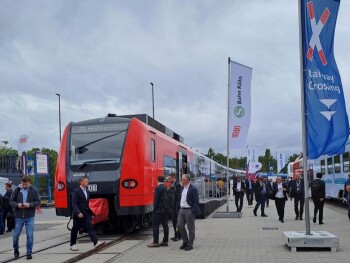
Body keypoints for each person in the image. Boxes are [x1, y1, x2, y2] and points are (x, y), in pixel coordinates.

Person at [70, 176, 105, 251]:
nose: (87, 182)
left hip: (86, 213)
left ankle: (96, 242)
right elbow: (74, 203)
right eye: (85, 181)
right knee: (75, 229)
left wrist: (91, 213)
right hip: (78, 214)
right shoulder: (76, 191)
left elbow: (86, 203)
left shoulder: (87, 191)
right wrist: (78, 212)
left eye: (87, 181)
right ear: (81, 182)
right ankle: (72, 244)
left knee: (89, 226)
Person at [10, 176, 40, 260]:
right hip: (18, 216)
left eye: (26, 184)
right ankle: (16, 248)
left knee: (30, 235)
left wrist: (29, 204)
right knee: (15, 235)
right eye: (23, 184)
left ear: (29, 182)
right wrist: (17, 205)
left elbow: (38, 202)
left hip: (30, 216)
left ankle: (29, 252)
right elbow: (11, 201)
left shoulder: (34, 190)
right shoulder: (17, 190)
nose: (24, 185)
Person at [177, 174, 201, 251]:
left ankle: (190, 244)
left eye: (182, 179)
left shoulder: (193, 189)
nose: (181, 180)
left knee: (190, 228)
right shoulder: (182, 188)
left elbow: (196, 201)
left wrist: (192, 210)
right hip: (181, 209)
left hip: (189, 210)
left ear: (186, 180)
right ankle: (185, 241)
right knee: (180, 226)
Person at [148, 176, 169, 247]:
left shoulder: (158, 188)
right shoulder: (166, 187)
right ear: (163, 180)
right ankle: (165, 241)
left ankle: (155, 242)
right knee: (165, 225)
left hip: (158, 210)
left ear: (157, 180)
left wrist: (154, 210)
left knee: (155, 225)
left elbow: (156, 201)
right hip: (165, 209)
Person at [167, 173, 182, 241]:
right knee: (174, 222)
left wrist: (176, 208)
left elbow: (177, 198)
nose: (169, 180)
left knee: (176, 222)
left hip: (175, 208)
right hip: (172, 208)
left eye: (170, 178)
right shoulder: (172, 185)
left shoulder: (177, 185)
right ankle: (176, 234)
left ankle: (178, 236)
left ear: (173, 178)